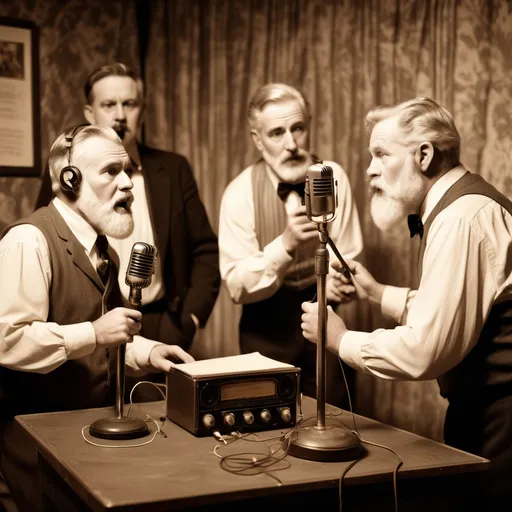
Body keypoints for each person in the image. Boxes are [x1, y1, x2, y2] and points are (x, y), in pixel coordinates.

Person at [301, 97, 512, 507]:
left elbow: (425, 350)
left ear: (424, 155)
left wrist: (340, 340)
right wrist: (379, 293)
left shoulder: (461, 219)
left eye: (381, 153)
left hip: (503, 417)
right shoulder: (463, 207)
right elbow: (463, 311)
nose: (369, 169)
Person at [0, 124, 195, 511]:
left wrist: (148, 352)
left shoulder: (106, 252)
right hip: (36, 453)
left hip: (89, 444)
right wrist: (92, 332)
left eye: (127, 170)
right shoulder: (29, 241)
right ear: (68, 181)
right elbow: (7, 341)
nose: (128, 184)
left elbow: (104, 335)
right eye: (110, 171)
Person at [36, 63, 220, 356]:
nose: (120, 114)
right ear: (89, 114)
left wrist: (191, 320)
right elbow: (51, 247)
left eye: (129, 104)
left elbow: (205, 249)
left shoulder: (173, 169)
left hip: (164, 323)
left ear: (142, 110)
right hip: (94, 324)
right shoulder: (66, 172)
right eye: (108, 104)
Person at [219, 83, 363, 405]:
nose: (291, 144)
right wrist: (284, 245)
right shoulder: (239, 193)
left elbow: (350, 253)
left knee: (337, 420)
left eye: (297, 128)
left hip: (327, 325)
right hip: (266, 332)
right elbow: (236, 287)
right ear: (258, 139)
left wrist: (343, 281)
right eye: (276, 133)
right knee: (268, 429)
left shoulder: (333, 176)